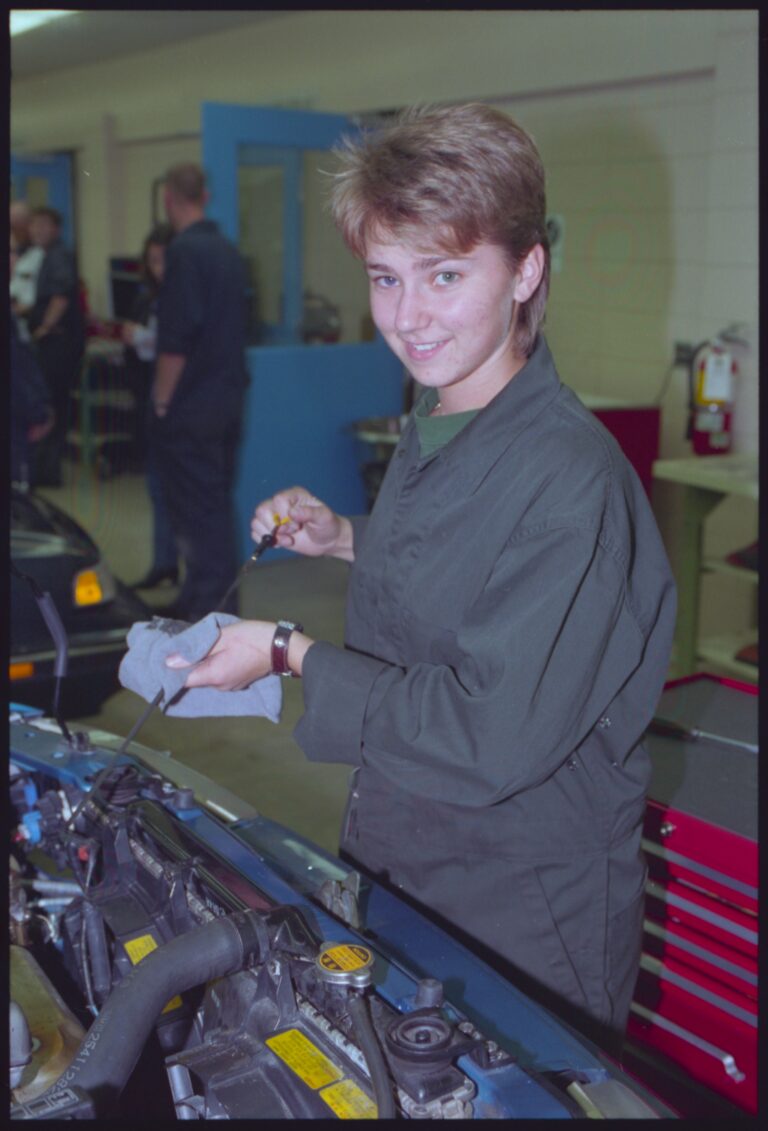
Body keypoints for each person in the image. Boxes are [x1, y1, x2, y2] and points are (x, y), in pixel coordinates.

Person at [165, 104, 676, 1053]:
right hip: (410, 854)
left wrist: (286, 649)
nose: (408, 317)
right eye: (386, 278)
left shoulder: (573, 478)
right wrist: (345, 536)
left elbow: (486, 734)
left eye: (446, 274)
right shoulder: (442, 410)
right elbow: (471, 562)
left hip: (522, 911)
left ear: (526, 270)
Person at [152, 163, 249, 619]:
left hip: (192, 404)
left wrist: (161, 399)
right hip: (227, 400)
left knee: (195, 507)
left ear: (170, 198)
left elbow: (177, 339)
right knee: (212, 502)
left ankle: (210, 603)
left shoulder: (184, 253)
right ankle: (204, 594)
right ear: (205, 197)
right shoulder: (227, 252)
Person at [122, 223, 179, 589]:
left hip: (175, 406)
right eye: (153, 261)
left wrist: (138, 337)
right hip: (154, 401)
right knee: (158, 488)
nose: (159, 268)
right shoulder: (152, 298)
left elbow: (166, 348)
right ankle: (164, 563)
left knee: (177, 491)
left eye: (164, 259)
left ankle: (180, 571)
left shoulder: (181, 298)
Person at [24, 206, 85, 486]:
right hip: (56, 343)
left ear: (56, 229)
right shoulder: (45, 256)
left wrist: (44, 329)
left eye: (44, 225)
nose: (37, 230)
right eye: (34, 225)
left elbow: (60, 297)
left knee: (51, 405)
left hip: (58, 344)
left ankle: (48, 472)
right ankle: (47, 469)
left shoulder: (59, 256)